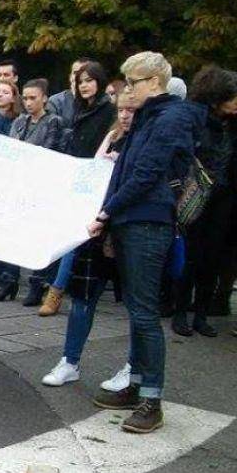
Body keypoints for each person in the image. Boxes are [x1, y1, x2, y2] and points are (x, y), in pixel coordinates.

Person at [87, 51, 201, 434]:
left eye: (132, 82)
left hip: (148, 223)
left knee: (145, 314)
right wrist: (109, 213)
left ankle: (151, 398)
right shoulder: (151, 118)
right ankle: (137, 386)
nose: (126, 89)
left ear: (154, 83)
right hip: (134, 220)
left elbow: (146, 173)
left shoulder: (169, 118)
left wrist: (106, 212)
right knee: (138, 310)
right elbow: (125, 170)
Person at [41, 95, 139, 390]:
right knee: (84, 298)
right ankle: (70, 361)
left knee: (138, 306)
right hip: (97, 229)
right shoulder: (111, 136)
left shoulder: (144, 142)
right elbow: (90, 176)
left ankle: (134, 368)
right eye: (121, 109)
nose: (125, 116)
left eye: (131, 111)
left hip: (126, 229)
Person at [34, 61, 117, 316]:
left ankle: (56, 291)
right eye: (81, 81)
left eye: (90, 80)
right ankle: (59, 288)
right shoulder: (79, 110)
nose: (84, 86)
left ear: (100, 82)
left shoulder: (108, 111)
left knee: (77, 237)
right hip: (77, 179)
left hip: (98, 182)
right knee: (74, 237)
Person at [172, 66, 237, 337]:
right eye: (233, 96)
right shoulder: (197, 121)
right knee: (190, 255)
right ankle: (180, 312)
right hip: (197, 194)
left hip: (227, 199)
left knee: (213, 257)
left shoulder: (234, 126)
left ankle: (201, 314)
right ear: (217, 96)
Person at [0, 78, 65, 301]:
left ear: (44, 98)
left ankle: (38, 282)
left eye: (33, 97)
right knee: (13, 233)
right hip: (18, 182)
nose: (29, 102)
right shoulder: (20, 121)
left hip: (40, 184)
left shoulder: (53, 122)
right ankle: (9, 279)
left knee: (36, 235)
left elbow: (49, 150)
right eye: (25, 98)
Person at [48, 57, 93, 129]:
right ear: (70, 77)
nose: (78, 77)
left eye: (83, 73)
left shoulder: (101, 102)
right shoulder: (55, 102)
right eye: (75, 73)